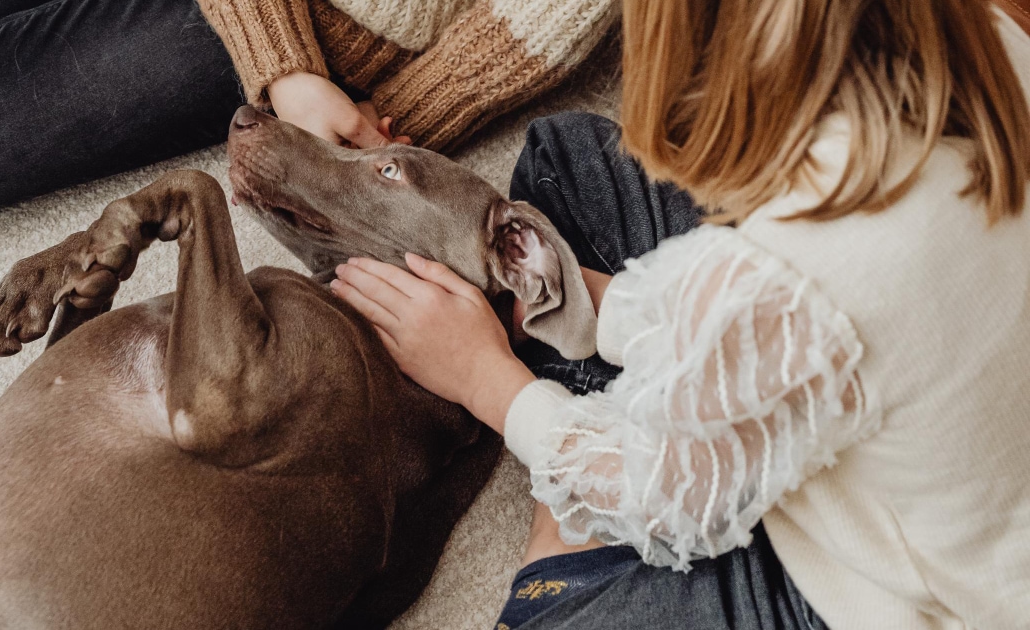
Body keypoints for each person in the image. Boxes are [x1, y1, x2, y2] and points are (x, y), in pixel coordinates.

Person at [331, 1, 1030, 628]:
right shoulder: (988, 43)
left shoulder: (800, 276)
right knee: (563, 160)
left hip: (897, 589)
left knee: (557, 613)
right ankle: (590, 355)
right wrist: (596, 304)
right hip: (934, 427)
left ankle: (572, 512)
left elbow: (666, 504)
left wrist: (486, 380)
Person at [0, 0, 618, 226]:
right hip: (287, 32)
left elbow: (525, 37)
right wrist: (284, 65)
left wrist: (362, 134)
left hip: (338, 35)